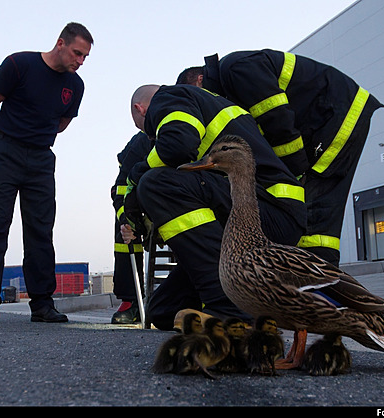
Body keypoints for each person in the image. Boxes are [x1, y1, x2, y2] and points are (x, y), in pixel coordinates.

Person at [122, 84, 307, 330]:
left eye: (143, 128)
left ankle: (232, 310)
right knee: (164, 310)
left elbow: (177, 144)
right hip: (268, 210)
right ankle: (255, 307)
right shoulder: (207, 103)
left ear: (141, 109)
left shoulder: (170, 96)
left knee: (155, 183)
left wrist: (138, 174)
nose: (149, 137)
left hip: (266, 208)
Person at [176, 50, 384, 266]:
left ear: (200, 79)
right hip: (328, 121)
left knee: (316, 210)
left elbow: (276, 120)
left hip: (337, 119)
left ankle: (320, 286)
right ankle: (313, 281)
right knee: (314, 207)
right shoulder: (232, 81)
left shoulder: (236, 68)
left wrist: (294, 171)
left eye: (197, 95)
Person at [0, 22, 93, 324]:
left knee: (41, 231)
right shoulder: (20, 64)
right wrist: (4, 137)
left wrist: (34, 140)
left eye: (85, 58)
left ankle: (42, 304)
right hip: (5, 153)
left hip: (41, 160)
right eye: (77, 53)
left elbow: (62, 123)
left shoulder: (75, 86)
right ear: (60, 43)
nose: (79, 62)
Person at [109, 131, 152, 324]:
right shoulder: (140, 143)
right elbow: (120, 190)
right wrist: (127, 222)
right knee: (123, 228)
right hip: (148, 200)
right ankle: (131, 300)